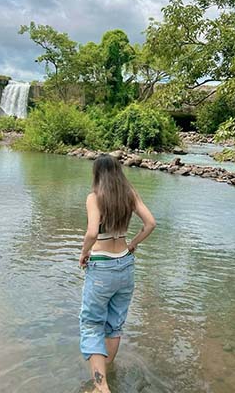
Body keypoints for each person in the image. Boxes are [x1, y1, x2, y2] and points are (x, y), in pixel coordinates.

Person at [78, 154, 156, 392]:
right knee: (114, 325)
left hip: (102, 266)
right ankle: (105, 376)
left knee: (92, 324)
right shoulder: (129, 194)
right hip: (126, 265)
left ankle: (101, 387)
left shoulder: (94, 198)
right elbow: (150, 223)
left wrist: (83, 253)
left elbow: (92, 232)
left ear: (97, 174)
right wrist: (132, 244)